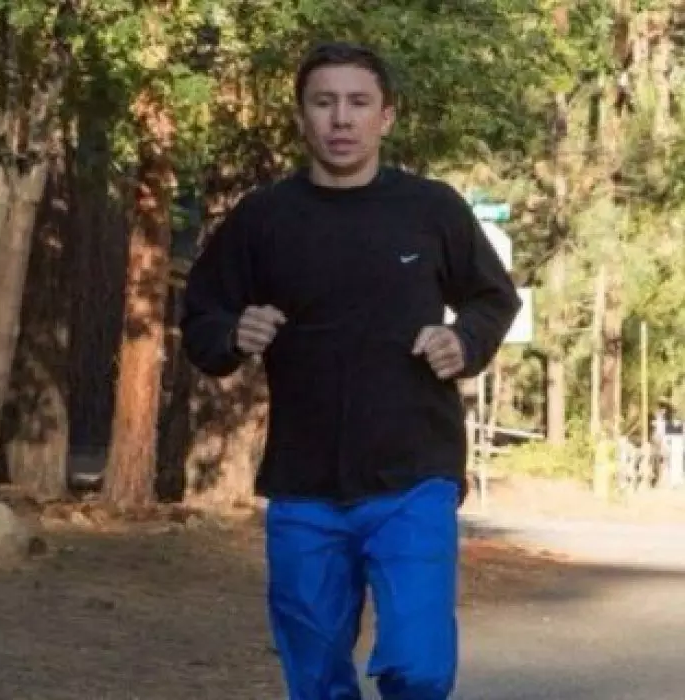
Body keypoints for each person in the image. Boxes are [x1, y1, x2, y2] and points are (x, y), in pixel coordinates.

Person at [180, 42, 521, 700]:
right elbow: (202, 317)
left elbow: (493, 298)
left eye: (359, 103)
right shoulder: (264, 217)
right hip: (304, 484)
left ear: (385, 117)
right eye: (324, 102)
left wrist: (464, 340)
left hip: (414, 477)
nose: (341, 119)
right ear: (302, 117)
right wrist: (232, 333)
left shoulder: (431, 209)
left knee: (418, 669)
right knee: (315, 680)